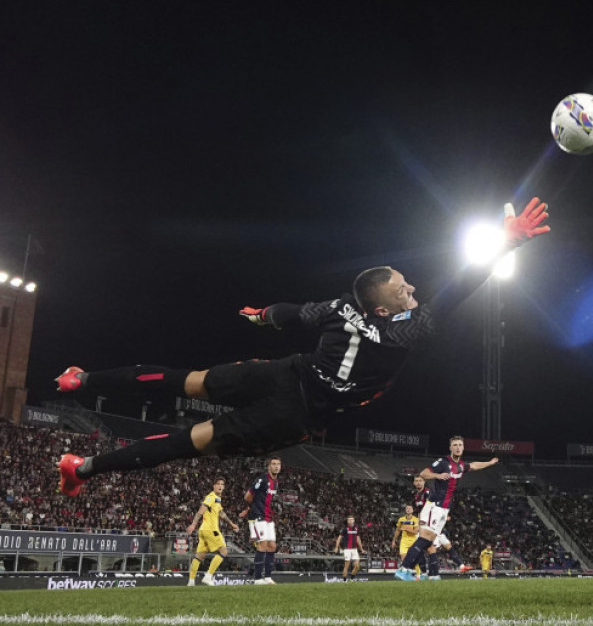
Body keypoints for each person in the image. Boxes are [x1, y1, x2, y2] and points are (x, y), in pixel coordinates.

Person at [54, 199, 550, 496]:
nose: (413, 288)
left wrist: (261, 315)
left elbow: (292, 313)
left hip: (284, 373)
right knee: (193, 441)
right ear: (383, 309)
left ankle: (84, 379)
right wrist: (503, 246)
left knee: (189, 380)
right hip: (294, 414)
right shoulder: (407, 332)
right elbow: (457, 288)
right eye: (404, 288)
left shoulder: (339, 307)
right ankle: (84, 468)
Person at [394, 436, 499, 581]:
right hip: (435, 505)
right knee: (424, 539)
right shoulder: (443, 462)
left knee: (428, 542)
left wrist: (490, 463)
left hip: (444, 509)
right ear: (450, 448)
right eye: (455, 445)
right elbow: (424, 473)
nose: (457, 447)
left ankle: (424, 573)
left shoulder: (461, 465)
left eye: (460, 445)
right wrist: (437, 475)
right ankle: (404, 569)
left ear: (463, 447)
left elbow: (474, 465)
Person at [405, 474, 471, 575]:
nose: (418, 483)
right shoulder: (417, 496)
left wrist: (442, 517)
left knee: (444, 545)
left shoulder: (428, 493)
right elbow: (419, 511)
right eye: (416, 481)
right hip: (425, 525)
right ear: (414, 483)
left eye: (420, 481)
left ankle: (460, 566)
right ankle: (427, 574)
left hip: (431, 524)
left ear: (424, 482)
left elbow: (436, 506)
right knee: (431, 549)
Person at [185, 477, 240, 586]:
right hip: (211, 530)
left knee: (199, 557)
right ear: (214, 486)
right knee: (223, 552)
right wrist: (194, 523)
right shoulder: (211, 497)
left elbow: (221, 513)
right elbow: (201, 509)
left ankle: (191, 581)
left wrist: (232, 524)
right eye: (218, 484)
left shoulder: (217, 499)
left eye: (222, 484)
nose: (220, 486)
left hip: (203, 531)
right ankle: (208, 576)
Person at [239, 456, 281, 585]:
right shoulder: (262, 479)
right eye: (273, 464)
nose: (276, 466)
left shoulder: (276, 482)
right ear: (268, 466)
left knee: (272, 546)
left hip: (268, 516)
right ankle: (257, 578)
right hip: (258, 516)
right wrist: (252, 508)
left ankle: (267, 577)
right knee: (263, 544)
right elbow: (247, 496)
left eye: (278, 464)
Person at [391, 504, 421, 578]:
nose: (408, 509)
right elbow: (398, 530)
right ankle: (407, 575)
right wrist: (394, 540)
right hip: (404, 541)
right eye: (407, 508)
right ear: (405, 510)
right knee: (404, 559)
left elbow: (416, 532)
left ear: (412, 511)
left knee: (414, 559)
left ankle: (418, 575)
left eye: (410, 508)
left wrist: (406, 529)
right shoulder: (401, 519)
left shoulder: (415, 520)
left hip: (413, 541)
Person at [333, 514, 366, 581]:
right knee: (347, 565)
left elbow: (358, 539)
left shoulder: (356, 528)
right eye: (349, 520)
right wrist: (336, 547)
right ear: (347, 521)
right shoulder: (345, 529)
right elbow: (339, 538)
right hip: (347, 549)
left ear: (354, 521)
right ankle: (345, 581)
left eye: (352, 519)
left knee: (357, 566)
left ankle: (351, 579)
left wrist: (361, 549)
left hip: (354, 549)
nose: (351, 521)